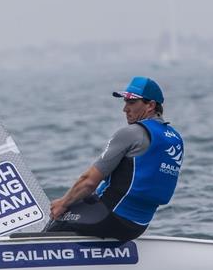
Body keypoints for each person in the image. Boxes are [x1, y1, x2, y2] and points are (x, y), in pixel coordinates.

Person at [47, 76, 184, 241]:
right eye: (125, 102)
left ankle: (31, 258)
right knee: (83, 204)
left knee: (61, 215)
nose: (125, 109)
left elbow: (89, 181)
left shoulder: (131, 133)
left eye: (132, 103)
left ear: (150, 105)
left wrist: (62, 203)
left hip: (109, 217)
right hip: (138, 226)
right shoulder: (175, 139)